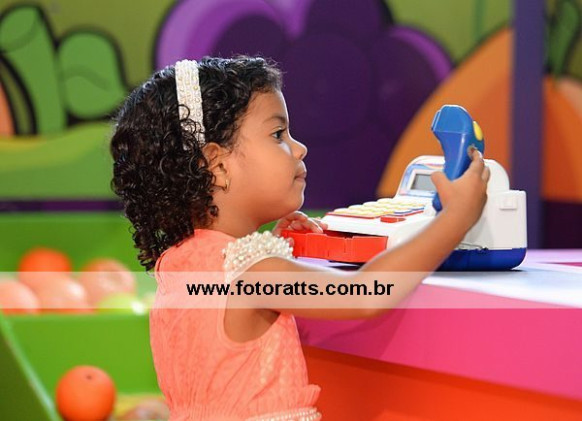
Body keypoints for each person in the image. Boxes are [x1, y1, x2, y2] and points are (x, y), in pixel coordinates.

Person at [110, 56, 489, 421]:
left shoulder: (178, 264)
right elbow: (365, 294)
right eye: (278, 134)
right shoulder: (249, 272)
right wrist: (454, 220)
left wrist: (273, 248)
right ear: (218, 165)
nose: (299, 148)